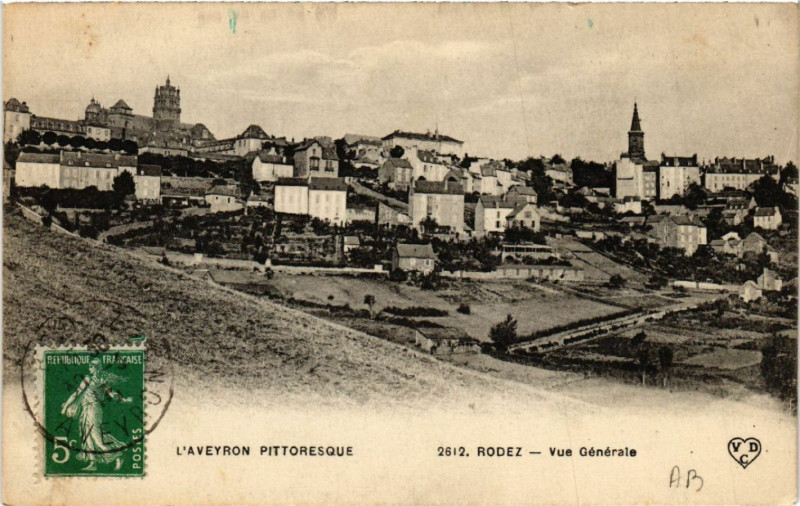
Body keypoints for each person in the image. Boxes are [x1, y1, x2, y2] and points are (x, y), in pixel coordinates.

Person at [60, 357, 132, 471]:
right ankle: (93, 463)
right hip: (85, 409)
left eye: (91, 366)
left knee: (96, 437)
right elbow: (77, 393)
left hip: (94, 409)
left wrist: (124, 400)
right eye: (89, 366)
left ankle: (118, 455)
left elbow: (112, 394)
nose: (89, 368)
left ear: (97, 368)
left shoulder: (100, 380)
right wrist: (66, 407)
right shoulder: (92, 379)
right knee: (86, 435)